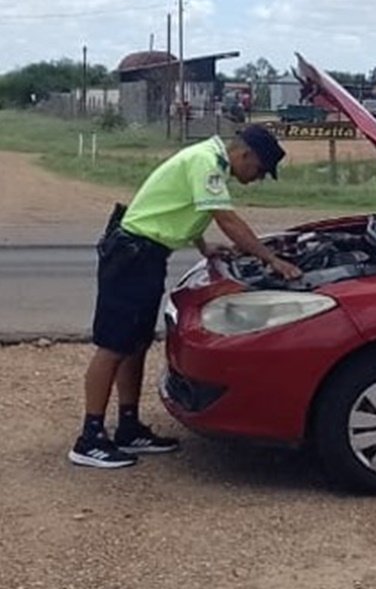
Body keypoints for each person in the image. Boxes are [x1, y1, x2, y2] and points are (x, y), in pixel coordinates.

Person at [70, 124, 303, 469]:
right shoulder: (207, 163)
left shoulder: (210, 161)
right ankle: (89, 438)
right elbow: (226, 218)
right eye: (259, 170)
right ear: (245, 154)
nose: (257, 178)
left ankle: (129, 427)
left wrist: (204, 247)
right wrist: (271, 260)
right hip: (132, 256)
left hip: (146, 255)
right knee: (114, 345)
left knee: (135, 344)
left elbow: (187, 208)